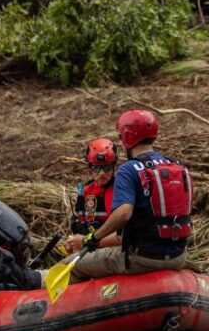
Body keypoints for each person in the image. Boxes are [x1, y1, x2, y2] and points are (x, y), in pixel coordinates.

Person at [70, 109, 193, 280]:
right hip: (178, 257)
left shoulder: (128, 170)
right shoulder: (177, 167)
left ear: (127, 138)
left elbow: (123, 213)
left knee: (71, 265)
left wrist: (92, 239)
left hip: (142, 259)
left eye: (121, 137)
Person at [65, 138, 122, 253]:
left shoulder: (123, 190)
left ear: (114, 165)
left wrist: (88, 242)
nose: (101, 173)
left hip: (114, 250)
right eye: (96, 167)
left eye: (106, 167)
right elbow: (80, 225)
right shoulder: (85, 191)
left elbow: (126, 235)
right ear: (90, 167)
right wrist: (73, 241)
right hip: (90, 248)